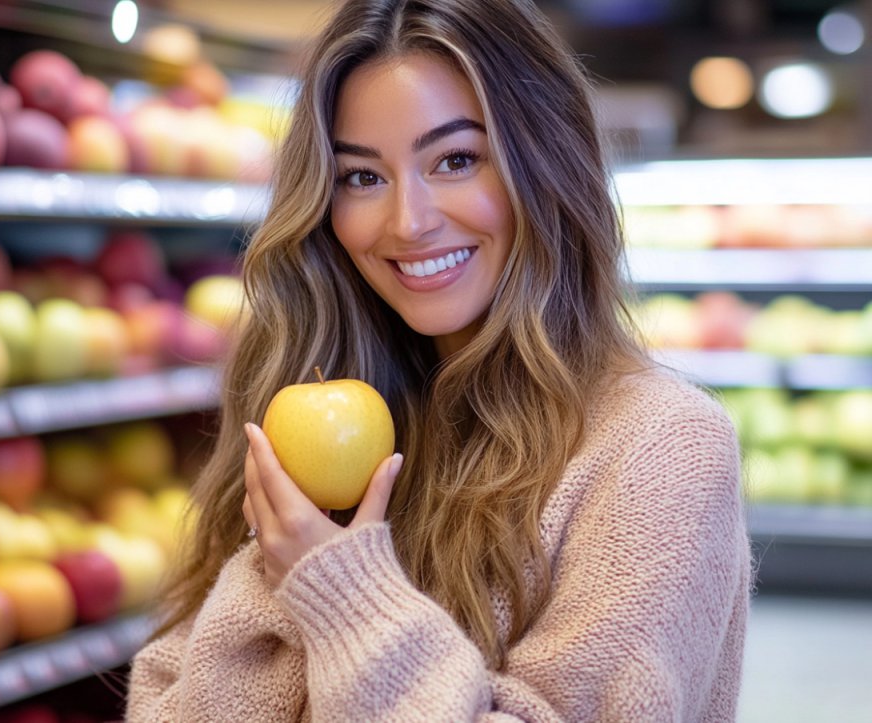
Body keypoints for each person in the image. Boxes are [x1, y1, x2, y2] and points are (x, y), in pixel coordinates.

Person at [125, 0, 751, 720]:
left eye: (455, 160)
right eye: (363, 176)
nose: (408, 222)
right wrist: (280, 569)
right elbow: (165, 702)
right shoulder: (328, 412)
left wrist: (337, 587)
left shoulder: (659, 448)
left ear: (546, 162)